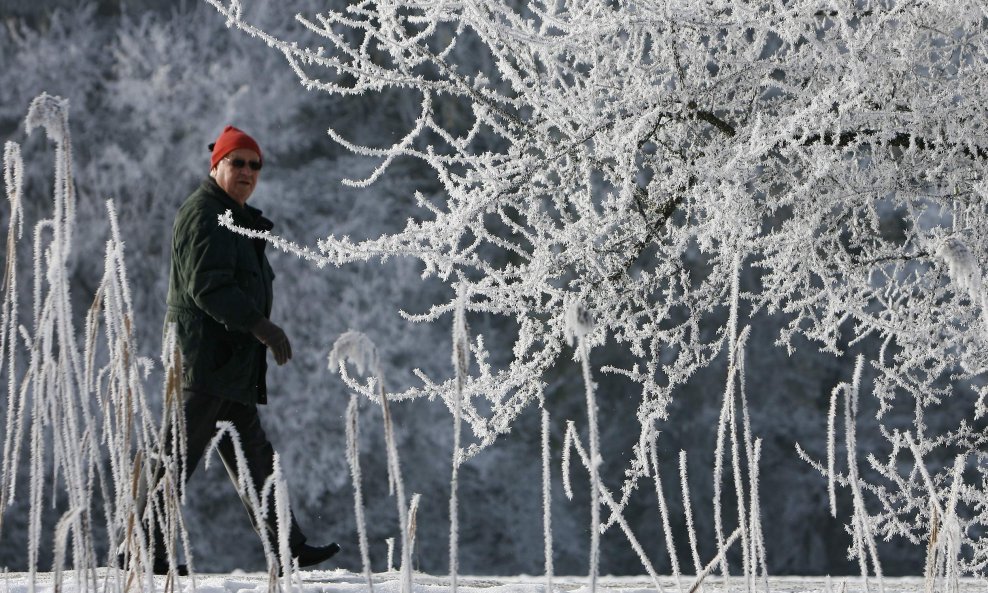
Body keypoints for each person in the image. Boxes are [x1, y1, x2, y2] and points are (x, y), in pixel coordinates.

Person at [142, 125, 338, 574]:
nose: (248, 171)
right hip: (205, 361)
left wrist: (258, 331)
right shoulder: (206, 213)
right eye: (238, 162)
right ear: (217, 165)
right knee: (175, 455)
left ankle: (287, 545)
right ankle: (140, 549)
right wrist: (261, 326)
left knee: (254, 455)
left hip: (229, 364)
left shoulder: (233, 215)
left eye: (255, 164)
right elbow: (208, 286)